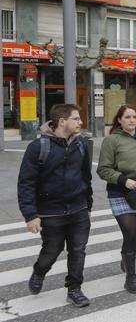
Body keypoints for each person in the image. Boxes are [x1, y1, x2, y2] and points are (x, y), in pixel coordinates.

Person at [17, 104, 93, 307]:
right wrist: (30, 214)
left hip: (78, 209)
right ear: (62, 121)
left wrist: (88, 204)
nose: (80, 122)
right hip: (51, 212)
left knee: (78, 250)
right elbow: (26, 182)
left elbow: (86, 176)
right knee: (52, 250)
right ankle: (39, 271)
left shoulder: (82, 145)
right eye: (76, 119)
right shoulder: (38, 147)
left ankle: (74, 289)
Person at [96, 105, 136, 294]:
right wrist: (124, 180)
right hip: (120, 192)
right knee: (130, 235)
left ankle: (126, 256)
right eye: (127, 117)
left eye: (134, 117)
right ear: (119, 120)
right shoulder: (111, 140)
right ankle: (131, 278)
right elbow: (103, 169)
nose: (132, 120)